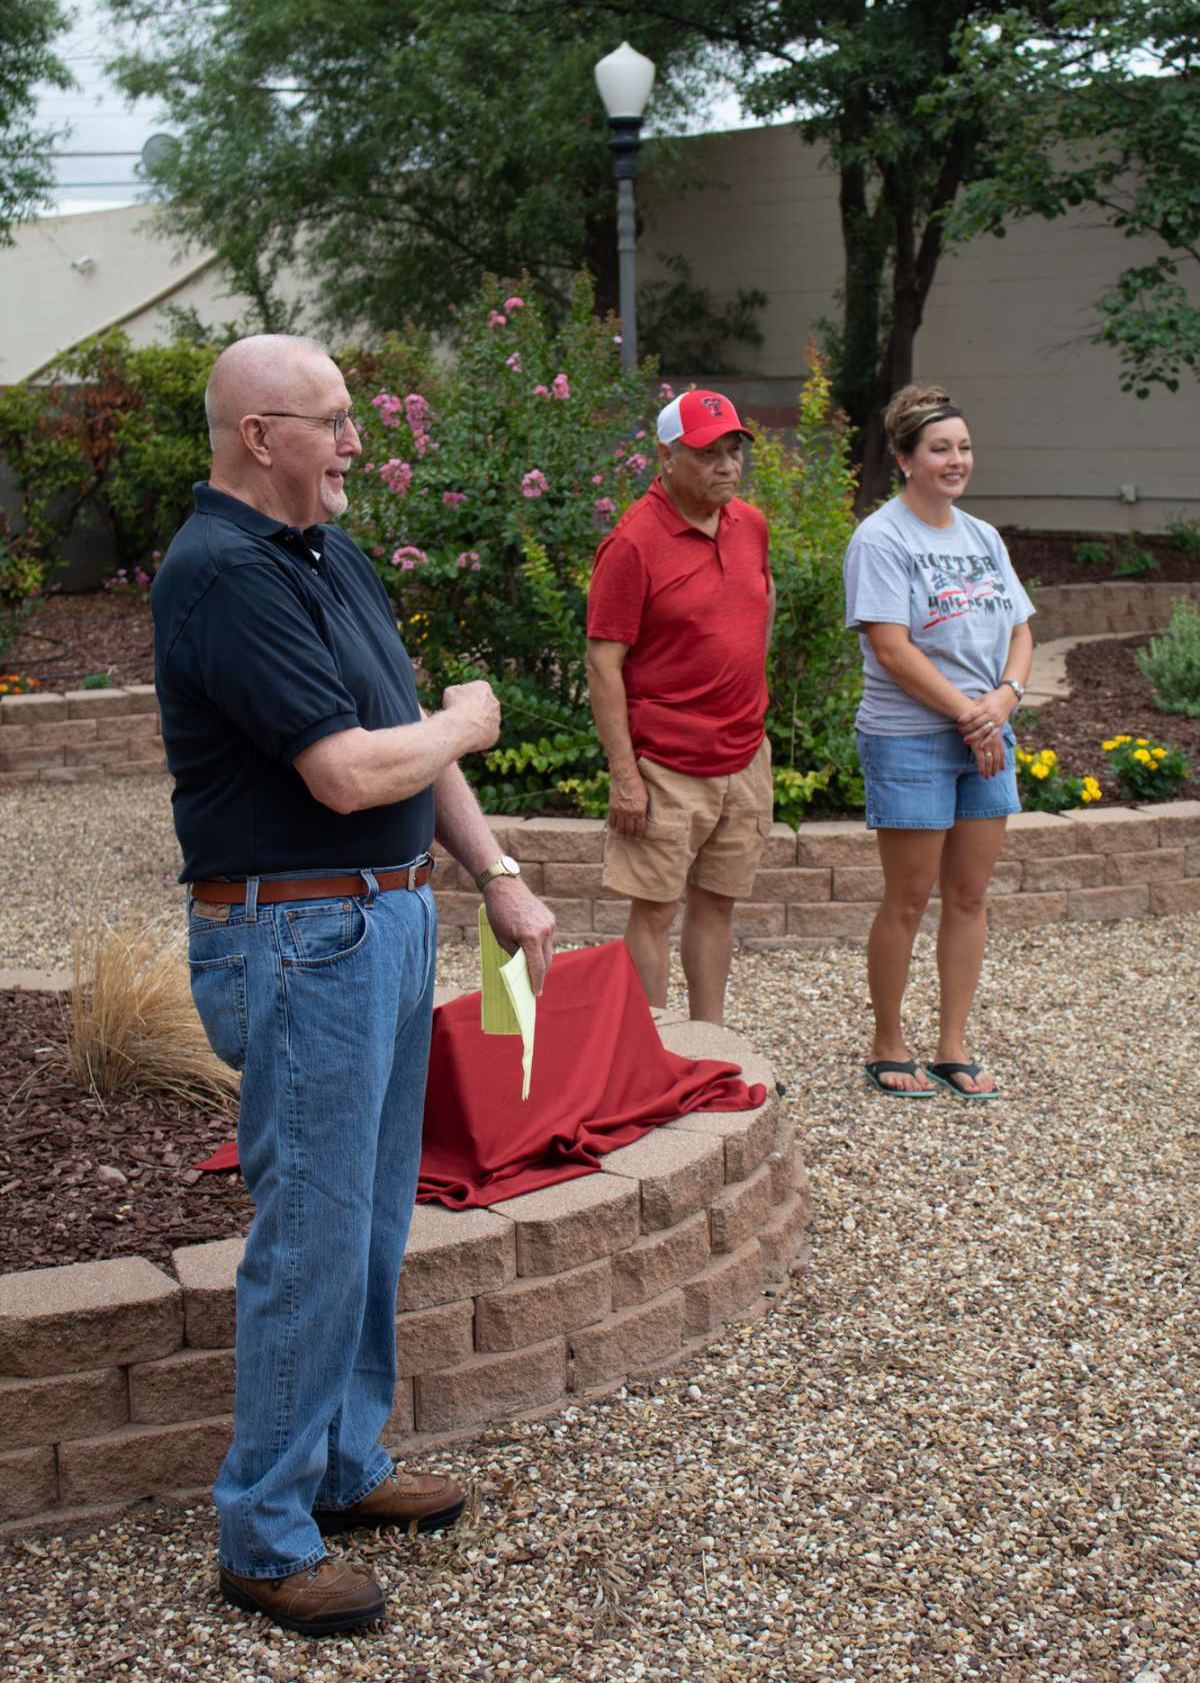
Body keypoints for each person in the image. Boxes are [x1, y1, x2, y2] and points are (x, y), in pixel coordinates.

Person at [152, 334, 556, 1638]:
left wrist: (494, 868)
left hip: (379, 926)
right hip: (298, 942)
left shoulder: (326, 555)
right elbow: (347, 769)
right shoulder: (220, 576)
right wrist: (462, 720)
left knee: (371, 1223)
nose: (353, 443)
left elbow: (400, 742)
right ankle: (263, 1534)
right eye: (332, 421)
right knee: (312, 1239)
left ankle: (338, 1463)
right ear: (260, 435)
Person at [843, 382, 1034, 1101]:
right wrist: (973, 715)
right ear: (905, 459)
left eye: (964, 447)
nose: (957, 460)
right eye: (940, 449)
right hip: (911, 738)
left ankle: (953, 1045)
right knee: (908, 898)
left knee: (970, 897)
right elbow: (892, 649)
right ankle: (887, 1039)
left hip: (985, 731)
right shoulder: (882, 538)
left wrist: (1005, 698)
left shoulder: (981, 536)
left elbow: (1020, 628)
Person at [585, 389, 775, 1026]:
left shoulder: (750, 525)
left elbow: (760, 607)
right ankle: (655, 1053)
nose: (727, 466)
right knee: (656, 910)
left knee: (718, 903)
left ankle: (710, 1044)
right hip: (666, 763)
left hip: (745, 755)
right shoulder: (632, 545)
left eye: (732, 451)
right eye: (707, 454)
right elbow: (603, 663)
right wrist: (625, 776)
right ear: (665, 457)